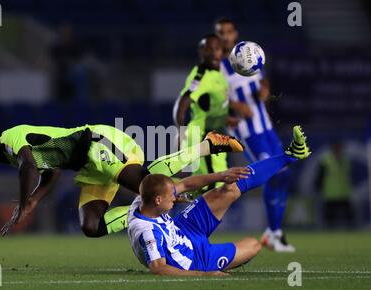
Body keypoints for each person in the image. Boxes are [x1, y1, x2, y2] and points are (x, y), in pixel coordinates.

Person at [0, 124, 244, 237]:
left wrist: (25, 201)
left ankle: (207, 145)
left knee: (151, 187)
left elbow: (29, 167)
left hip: (98, 145)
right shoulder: (14, 156)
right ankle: (150, 209)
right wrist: (34, 201)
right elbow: (52, 171)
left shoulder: (10, 139)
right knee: (91, 226)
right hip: (88, 169)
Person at [128, 126, 311, 275]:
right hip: (194, 259)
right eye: (171, 196)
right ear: (158, 200)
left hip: (183, 228)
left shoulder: (144, 200)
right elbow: (158, 268)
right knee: (253, 244)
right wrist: (204, 274)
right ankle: (216, 264)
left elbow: (185, 184)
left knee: (231, 185)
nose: (174, 197)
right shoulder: (147, 231)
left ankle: (292, 154)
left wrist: (221, 175)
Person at [215, 17, 295, 252]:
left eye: (229, 31)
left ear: (235, 33)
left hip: (266, 127)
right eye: (221, 32)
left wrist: (265, 90)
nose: (225, 36)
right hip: (245, 131)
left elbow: (262, 82)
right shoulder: (218, 65)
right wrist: (236, 106)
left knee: (283, 174)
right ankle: (269, 230)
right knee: (269, 172)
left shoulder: (249, 53)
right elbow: (216, 98)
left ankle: (274, 232)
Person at [173, 33, 239, 194]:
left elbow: (212, 106)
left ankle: (162, 190)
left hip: (217, 138)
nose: (212, 52)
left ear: (222, 52)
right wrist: (181, 135)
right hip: (203, 138)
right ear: (201, 52)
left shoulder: (219, 75)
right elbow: (181, 104)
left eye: (216, 48)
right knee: (214, 191)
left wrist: (225, 118)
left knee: (213, 192)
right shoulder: (201, 75)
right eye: (207, 48)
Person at [315, 141, 354, 228]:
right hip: (330, 193)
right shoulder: (326, 160)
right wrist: (319, 187)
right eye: (336, 148)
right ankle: (328, 232)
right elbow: (320, 176)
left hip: (344, 192)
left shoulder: (345, 159)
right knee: (329, 216)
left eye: (339, 148)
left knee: (349, 215)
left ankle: (350, 230)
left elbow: (349, 175)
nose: (338, 150)